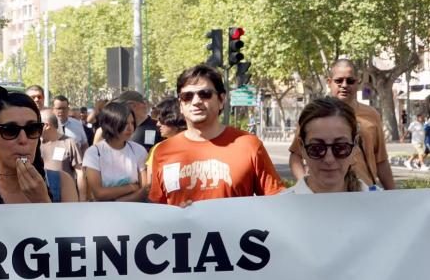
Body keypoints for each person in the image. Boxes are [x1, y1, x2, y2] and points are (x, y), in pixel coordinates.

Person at [149, 64, 283, 206]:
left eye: (205, 94)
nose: (196, 101)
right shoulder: (163, 151)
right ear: (181, 105)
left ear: (221, 100)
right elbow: (158, 209)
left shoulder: (249, 145)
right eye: (187, 96)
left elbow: (276, 202)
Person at [289, 59, 396, 189]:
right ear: (329, 82)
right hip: (323, 193)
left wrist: (394, 195)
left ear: (357, 83)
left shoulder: (372, 115)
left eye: (350, 81)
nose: (344, 85)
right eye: (339, 81)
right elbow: (296, 155)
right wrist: (307, 188)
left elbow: (381, 160)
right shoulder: (313, 116)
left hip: (363, 193)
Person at [283, 98, 372, 193]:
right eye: (317, 148)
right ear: (301, 147)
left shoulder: (377, 200)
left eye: (340, 147)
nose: (329, 160)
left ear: (355, 146)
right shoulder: (280, 202)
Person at [82, 101, 148, 202]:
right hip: (103, 209)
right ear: (110, 124)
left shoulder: (138, 150)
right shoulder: (93, 153)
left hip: (133, 208)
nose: (130, 128)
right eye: (124, 124)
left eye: (132, 123)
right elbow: (99, 193)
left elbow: (144, 189)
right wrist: (132, 187)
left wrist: (121, 200)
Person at [40, 108, 85, 200]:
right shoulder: (36, 144)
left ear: (46, 125)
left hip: (65, 198)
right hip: (42, 197)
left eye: (37, 124)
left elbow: (80, 172)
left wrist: (82, 198)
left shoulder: (69, 143)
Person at [145, 97, 187, 186]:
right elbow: (150, 185)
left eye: (161, 119)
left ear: (174, 117)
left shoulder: (199, 144)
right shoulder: (157, 149)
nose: (158, 124)